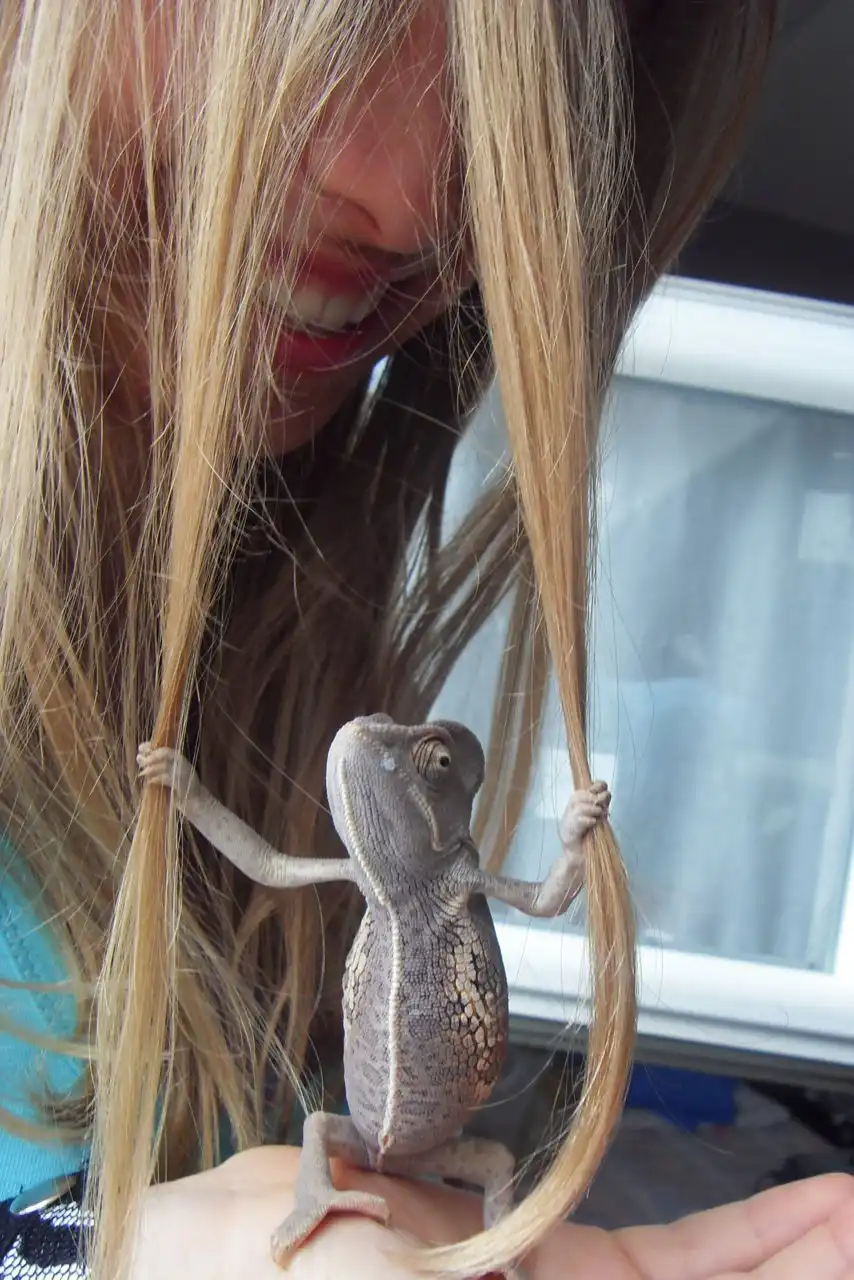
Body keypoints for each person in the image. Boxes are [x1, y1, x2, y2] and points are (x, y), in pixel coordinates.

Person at [2, 0, 852, 1277]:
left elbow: (476, 893)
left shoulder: (292, 683)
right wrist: (115, 1256)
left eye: (562, 57)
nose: (404, 199)